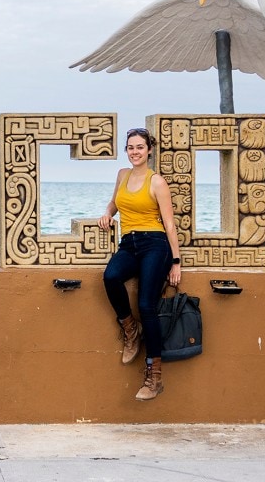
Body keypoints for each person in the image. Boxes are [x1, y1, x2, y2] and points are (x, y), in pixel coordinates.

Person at [97, 127, 182, 400]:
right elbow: (115, 203)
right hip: (129, 243)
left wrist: (176, 261)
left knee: (147, 304)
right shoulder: (122, 175)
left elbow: (169, 223)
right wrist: (107, 214)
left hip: (155, 244)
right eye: (130, 147)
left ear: (149, 150)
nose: (135, 152)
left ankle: (154, 376)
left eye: (140, 147)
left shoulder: (156, 181)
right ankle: (130, 329)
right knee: (111, 277)